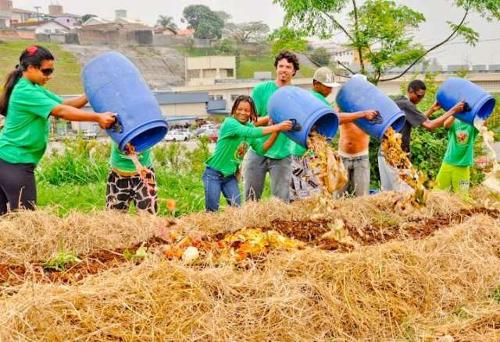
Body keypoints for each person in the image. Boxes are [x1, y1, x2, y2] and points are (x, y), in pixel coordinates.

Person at [0, 45, 116, 215]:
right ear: (31, 68)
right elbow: (61, 112)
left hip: (8, 160)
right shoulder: (25, 91)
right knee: (25, 221)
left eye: (51, 71)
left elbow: (64, 105)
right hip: (14, 163)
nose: (50, 76)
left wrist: (92, 93)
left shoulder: (32, 87)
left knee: (6, 219)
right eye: (46, 71)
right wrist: (97, 117)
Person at [289, 68, 379, 200]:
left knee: (300, 195)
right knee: (314, 197)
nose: (330, 90)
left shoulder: (307, 97)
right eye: (327, 87)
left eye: (331, 87)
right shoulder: (322, 101)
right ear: (315, 84)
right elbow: (336, 118)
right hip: (310, 156)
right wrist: (362, 114)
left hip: (300, 153)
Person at [203, 95, 292, 212]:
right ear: (234, 109)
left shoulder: (249, 126)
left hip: (230, 177)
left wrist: (276, 132)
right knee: (212, 211)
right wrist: (277, 126)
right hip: (213, 174)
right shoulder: (230, 123)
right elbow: (251, 132)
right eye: (239, 109)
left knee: (237, 209)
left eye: (247, 110)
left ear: (251, 113)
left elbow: (261, 149)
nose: (243, 113)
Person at [378, 79, 465, 191]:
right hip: (396, 156)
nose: (420, 100)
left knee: (389, 194)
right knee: (412, 194)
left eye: (422, 97)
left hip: (384, 153)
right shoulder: (406, 104)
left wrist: (432, 110)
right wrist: (453, 110)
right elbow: (430, 125)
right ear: (410, 91)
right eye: (418, 96)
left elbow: (416, 120)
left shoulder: (400, 101)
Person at [244, 50, 299, 203]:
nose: (284, 69)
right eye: (281, 65)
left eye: (288, 67)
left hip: (283, 154)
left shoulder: (297, 95)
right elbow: (250, 122)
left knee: (281, 202)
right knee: (251, 199)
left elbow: (299, 126)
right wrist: (271, 119)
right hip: (257, 150)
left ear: (294, 71)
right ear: (276, 68)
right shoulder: (261, 90)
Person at [106, 143, 157, 214]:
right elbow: (125, 143)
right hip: (118, 175)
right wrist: (137, 164)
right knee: (115, 216)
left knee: (148, 217)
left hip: (144, 173)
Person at [435, 116, 479, 194]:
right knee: (438, 191)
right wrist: (456, 112)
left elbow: (483, 123)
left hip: (464, 166)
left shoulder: (472, 126)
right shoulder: (454, 122)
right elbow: (446, 125)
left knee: (463, 194)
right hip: (448, 162)